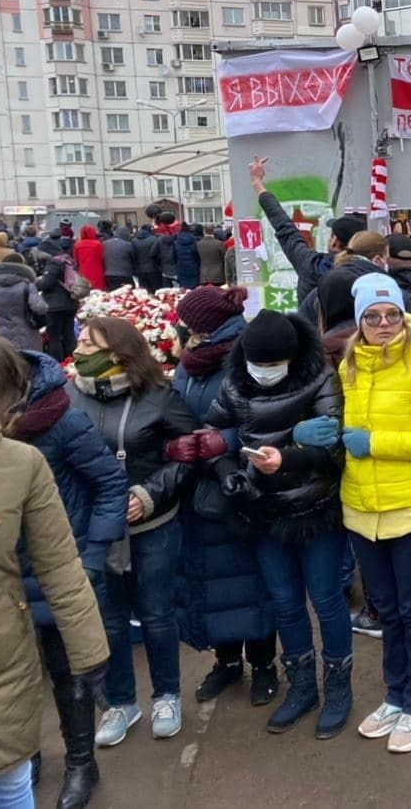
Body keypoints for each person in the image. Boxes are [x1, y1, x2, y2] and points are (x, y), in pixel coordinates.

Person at [206, 310, 351, 737]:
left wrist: (287, 458)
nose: (264, 372)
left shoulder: (320, 378)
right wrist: (225, 471)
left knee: (326, 600)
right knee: (285, 603)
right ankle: (301, 683)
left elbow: (336, 444)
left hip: (314, 509)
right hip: (263, 511)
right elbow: (213, 436)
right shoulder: (234, 383)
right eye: (259, 364)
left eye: (273, 364)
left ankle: (338, 685)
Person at [0, 339, 126, 809]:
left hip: (53, 568)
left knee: (68, 673)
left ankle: (80, 762)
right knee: (13, 678)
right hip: (4, 580)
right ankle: (21, 755)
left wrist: (91, 557)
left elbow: (110, 484)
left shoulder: (61, 418)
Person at [335, 274, 411, 753]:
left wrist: (376, 444)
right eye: (373, 316)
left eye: (391, 315)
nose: (384, 324)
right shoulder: (349, 369)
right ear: (360, 321)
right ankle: (395, 695)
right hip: (363, 509)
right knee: (386, 611)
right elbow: (345, 432)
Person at [67, 317, 198, 747]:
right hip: (95, 531)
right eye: (81, 342)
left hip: (153, 525)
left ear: (120, 352)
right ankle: (121, 703)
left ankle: (166, 695)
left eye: (90, 343)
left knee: (158, 614)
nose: (81, 350)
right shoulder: (68, 399)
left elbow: (190, 454)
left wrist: (149, 493)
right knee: (110, 621)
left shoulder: (160, 396)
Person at [170, 287, 278, 709]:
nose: (186, 331)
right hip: (198, 486)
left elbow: (266, 414)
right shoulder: (192, 360)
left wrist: (223, 441)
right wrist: (175, 443)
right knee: (210, 580)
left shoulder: (244, 357)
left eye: (191, 323)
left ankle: (265, 663)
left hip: (241, 481)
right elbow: (177, 411)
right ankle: (228, 660)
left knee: (250, 580)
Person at [249, 157, 366, 305]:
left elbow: (284, 226)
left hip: (312, 328)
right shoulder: (371, 274)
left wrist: (256, 182)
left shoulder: (311, 265)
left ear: (335, 242)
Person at [35, 240, 79, 361]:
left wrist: (35, 283)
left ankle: (58, 363)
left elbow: (47, 284)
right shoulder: (67, 260)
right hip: (71, 303)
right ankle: (73, 359)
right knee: (69, 334)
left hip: (56, 306)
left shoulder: (53, 263)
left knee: (54, 337)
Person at [0, 257, 47, 350]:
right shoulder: (27, 285)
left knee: (7, 360)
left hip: (0, 334)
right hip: (26, 333)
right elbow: (40, 308)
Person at [71, 226, 104, 292]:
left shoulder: (77, 245)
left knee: (85, 292)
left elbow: (76, 261)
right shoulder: (97, 244)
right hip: (97, 272)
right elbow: (102, 258)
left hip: (83, 272)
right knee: (98, 293)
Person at [132, 224, 161, 291]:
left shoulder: (134, 241)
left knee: (144, 292)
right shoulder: (154, 239)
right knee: (156, 291)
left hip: (139, 270)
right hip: (153, 269)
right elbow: (156, 254)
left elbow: (133, 255)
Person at [173, 225, 201, 290]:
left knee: (183, 288)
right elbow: (197, 255)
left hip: (181, 266)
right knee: (195, 288)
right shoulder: (194, 241)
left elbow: (174, 257)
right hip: (193, 266)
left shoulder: (176, 242)